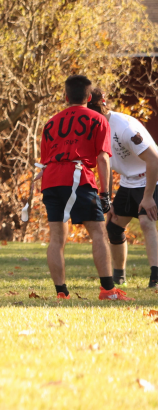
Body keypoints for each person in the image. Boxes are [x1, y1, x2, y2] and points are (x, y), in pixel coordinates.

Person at [39, 75, 130, 300]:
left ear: (66, 96)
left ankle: (62, 293)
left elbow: (44, 161)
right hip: (78, 179)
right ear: (89, 97)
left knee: (57, 237)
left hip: (51, 179)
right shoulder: (98, 120)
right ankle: (108, 290)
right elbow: (102, 159)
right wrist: (105, 194)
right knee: (98, 233)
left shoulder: (50, 122)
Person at [88, 88, 158, 289]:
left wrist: (148, 197)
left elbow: (153, 159)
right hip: (128, 181)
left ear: (103, 104)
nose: (91, 114)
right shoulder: (94, 129)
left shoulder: (125, 127)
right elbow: (105, 164)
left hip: (151, 178)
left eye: (94, 109)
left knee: (146, 221)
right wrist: (106, 200)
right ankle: (119, 277)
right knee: (114, 226)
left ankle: (155, 278)